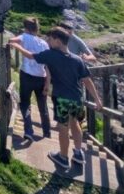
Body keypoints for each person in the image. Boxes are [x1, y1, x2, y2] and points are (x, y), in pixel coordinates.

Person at [10, 26, 102, 171]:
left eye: (50, 39)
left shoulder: (51, 54)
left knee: (63, 127)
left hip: (62, 98)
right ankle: (78, 153)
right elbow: (87, 81)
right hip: (77, 98)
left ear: (58, 41)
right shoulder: (77, 59)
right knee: (75, 123)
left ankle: (63, 157)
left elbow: (30, 56)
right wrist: (97, 99)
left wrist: (16, 45)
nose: (48, 41)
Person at [15, 17, 52, 141]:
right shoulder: (44, 43)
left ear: (26, 27)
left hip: (26, 75)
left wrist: (14, 44)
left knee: (25, 103)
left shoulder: (24, 37)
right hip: (41, 77)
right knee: (43, 106)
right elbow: (48, 65)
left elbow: (12, 40)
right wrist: (47, 84)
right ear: (37, 29)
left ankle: (29, 131)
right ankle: (47, 133)